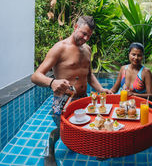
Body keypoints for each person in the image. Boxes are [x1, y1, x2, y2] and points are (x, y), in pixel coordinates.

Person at [31, 16, 111, 166]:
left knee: (91, 124)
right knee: (64, 130)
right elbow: (35, 76)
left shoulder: (87, 49)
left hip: (83, 98)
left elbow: (89, 74)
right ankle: (49, 149)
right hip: (64, 100)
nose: (86, 38)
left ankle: (96, 149)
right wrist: (52, 82)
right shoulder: (60, 48)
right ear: (75, 27)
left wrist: (100, 89)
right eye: (83, 33)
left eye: (89, 35)